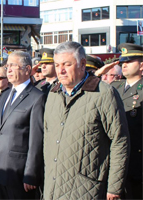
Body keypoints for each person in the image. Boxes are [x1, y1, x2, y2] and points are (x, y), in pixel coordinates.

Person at [43, 41, 130, 199]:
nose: (60, 70)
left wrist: (114, 188)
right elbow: (48, 138)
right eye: (57, 65)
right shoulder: (53, 94)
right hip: (54, 187)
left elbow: (120, 141)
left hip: (86, 189)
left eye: (66, 64)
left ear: (82, 64)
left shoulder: (103, 93)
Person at [0, 51, 45, 199]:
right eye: (8, 66)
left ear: (27, 69)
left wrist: (31, 174)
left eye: (14, 66)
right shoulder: (5, 94)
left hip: (18, 172)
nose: (9, 70)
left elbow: (36, 140)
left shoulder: (36, 98)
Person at [111, 43, 143, 199]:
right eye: (123, 62)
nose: (124, 65)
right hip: (116, 162)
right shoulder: (115, 87)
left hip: (137, 162)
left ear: (141, 65)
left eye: (129, 61)